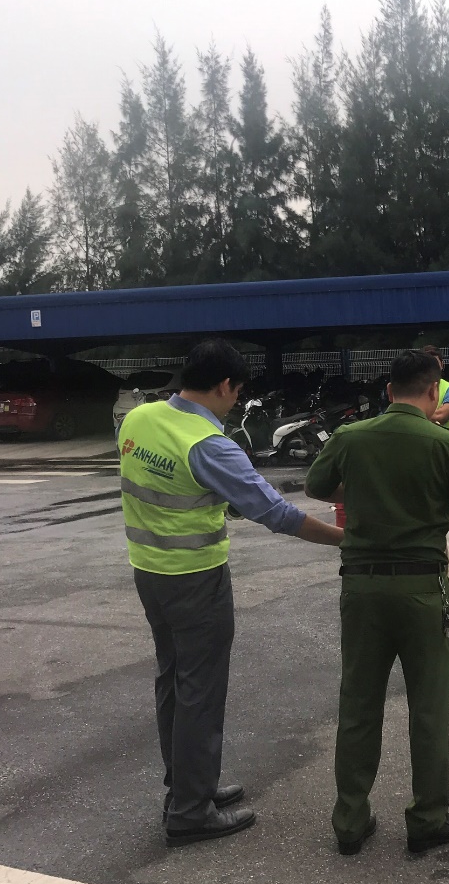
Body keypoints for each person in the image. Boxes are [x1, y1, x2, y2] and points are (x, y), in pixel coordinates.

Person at [120, 338, 345, 847]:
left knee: (173, 681)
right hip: (195, 578)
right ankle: (190, 811)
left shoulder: (139, 418)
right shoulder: (208, 444)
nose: (235, 400)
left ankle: (186, 787)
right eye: (237, 391)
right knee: (199, 690)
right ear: (224, 385)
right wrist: (345, 540)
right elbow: (277, 513)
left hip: (149, 573)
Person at [305, 350, 449, 856]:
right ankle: (427, 819)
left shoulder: (350, 437)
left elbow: (315, 486)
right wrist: (442, 506)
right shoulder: (447, 443)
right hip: (421, 591)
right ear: (434, 392)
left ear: (389, 391)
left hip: (362, 589)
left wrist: (368, 493)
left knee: (358, 704)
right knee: (428, 709)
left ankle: (350, 821)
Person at [420, 346, 449, 431]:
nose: (431, 368)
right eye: (427, 364)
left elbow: (440, 416)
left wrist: (416, 415)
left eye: (434, 364)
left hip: (445, 438)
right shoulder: (413, 386)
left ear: (442, 365)